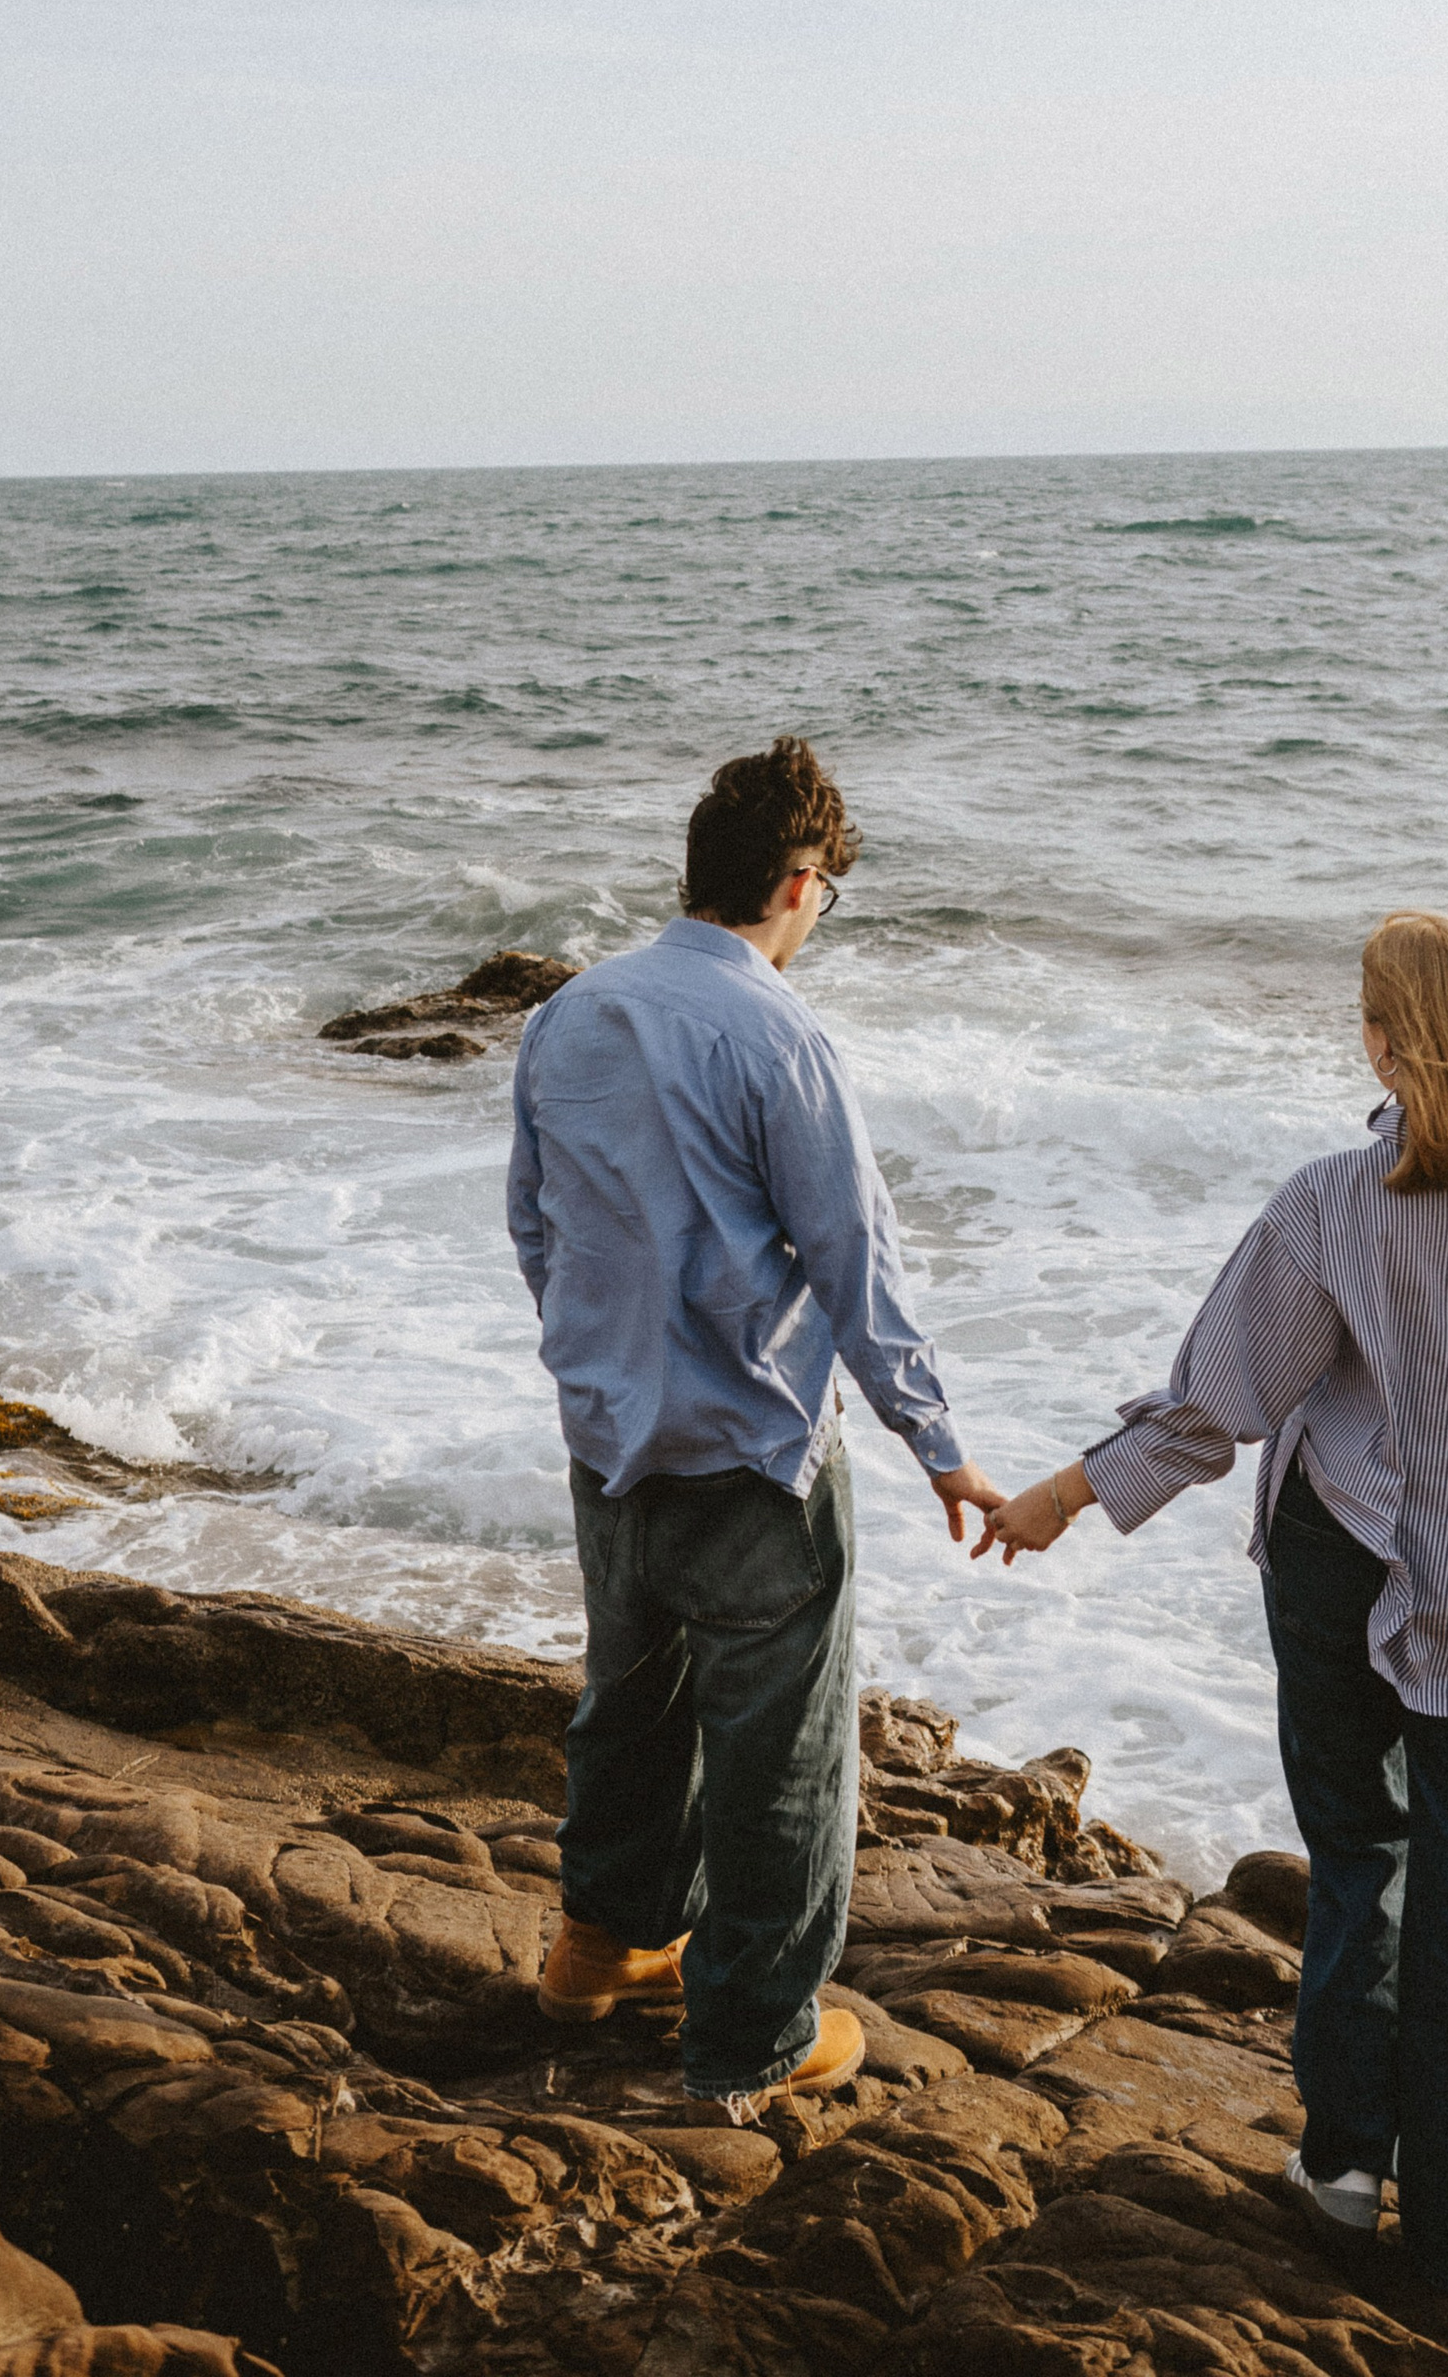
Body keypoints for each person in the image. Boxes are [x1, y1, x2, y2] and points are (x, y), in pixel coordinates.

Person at [980, 909, 1448, 2303]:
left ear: (1387, 1043)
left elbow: (1217, 1405)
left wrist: (1063, 1497)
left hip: (1339, 1559)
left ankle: (1346, 2172)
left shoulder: (1335, 1202)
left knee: (1359, 1854)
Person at [508, 736, 1004, 2124]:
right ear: (799, 883)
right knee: (780, 1748)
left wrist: (596, 1368)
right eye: (826, 900)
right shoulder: (778, 1034)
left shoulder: (571, 1013)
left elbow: (533, 1222)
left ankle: (600, 1949)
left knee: (633, 1700)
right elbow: (856, 1261)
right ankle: (752, 2039)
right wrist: (937, 1443)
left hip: (611, 1438)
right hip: (753, 1446)